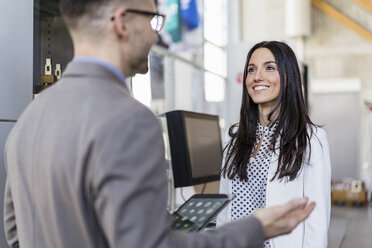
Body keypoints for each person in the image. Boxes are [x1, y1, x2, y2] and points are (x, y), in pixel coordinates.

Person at [3, 1, 315, 247]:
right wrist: (257, 228)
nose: (157, 35)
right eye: (152, 20)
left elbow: (15, 232)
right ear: (122, 22)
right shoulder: (129, 119)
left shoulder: (29, 117)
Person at [216, 41, 331, 248]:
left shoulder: (310, 139)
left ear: (288, 77)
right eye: (252, 69)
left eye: (270, 67)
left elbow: (317, 221)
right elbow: (225, 210)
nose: (257, 76)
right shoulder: (234, 137)